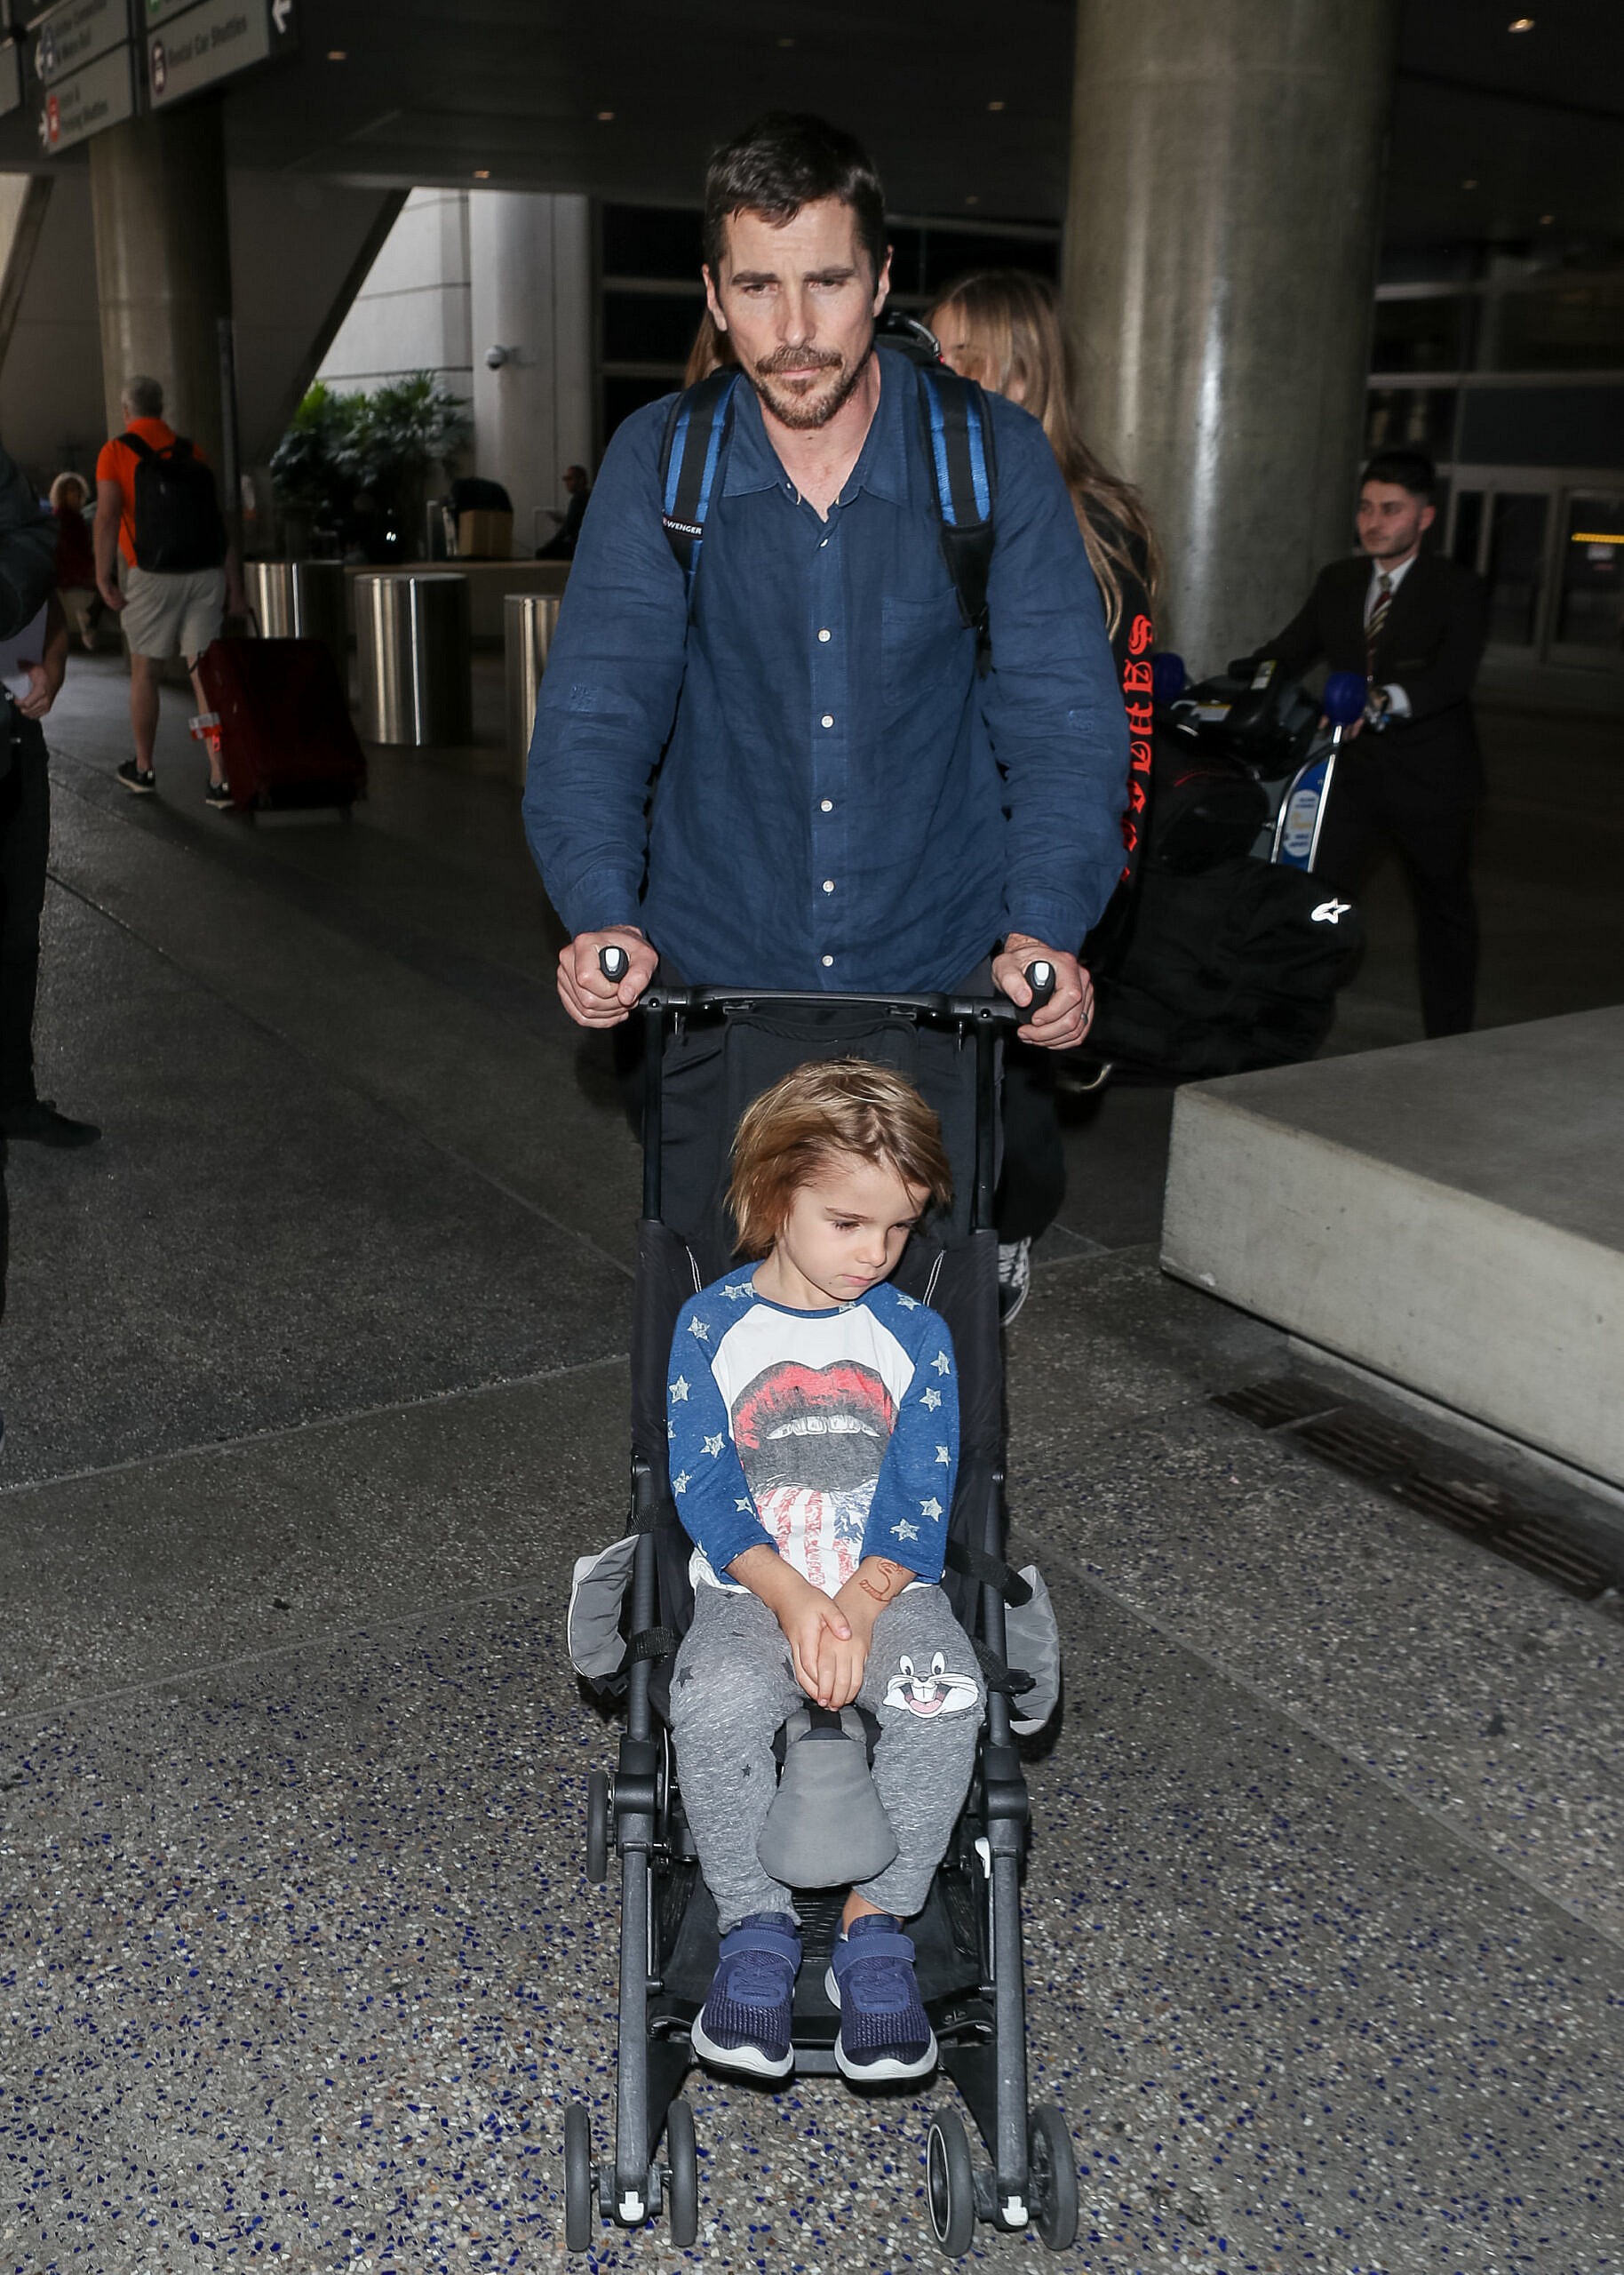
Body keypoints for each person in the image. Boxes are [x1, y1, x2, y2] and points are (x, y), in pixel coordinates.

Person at [524, 113, 1127, 1285]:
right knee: (725, 1364)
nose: (793, 332)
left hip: (937, 986)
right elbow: (598, 715)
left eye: (827, 283)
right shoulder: (664, 461)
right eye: (757, 286)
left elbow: (1061, 724)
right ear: (712, 291)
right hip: (720, 990)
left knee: (925, 1379)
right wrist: (600, 909)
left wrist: (1048, 925)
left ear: (883, 278)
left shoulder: (985, 456)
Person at [666, 1058, 984, 2082]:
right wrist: (795, 1597)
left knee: (947, 1699)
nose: (876, 1253)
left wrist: (852, 1600)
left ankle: (874, 1922)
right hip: (753, 1586)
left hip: (888, 1585)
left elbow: (920, 1489)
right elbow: (707, 1490)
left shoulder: (913, 1334)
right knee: (711, 1699)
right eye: (847, 1223)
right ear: (772, 1199)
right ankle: (753, 1924)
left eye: (898, 1228)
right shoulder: (713, 1328)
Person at [926, 269, 1163, 1292]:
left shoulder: (1088, 518)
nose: (935, 372)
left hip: (1032, 837)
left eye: (958, 353)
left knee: (1009, 1068)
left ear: (1015, 364)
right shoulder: (947, 495)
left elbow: (1109, 714)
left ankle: (1011, 1227)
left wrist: (1076, 884)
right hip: (949, 830)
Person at [1257, 449, 1487, 1037]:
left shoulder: (1457, 588)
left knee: (1443, 911)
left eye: (1391, 509)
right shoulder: (1340, 580)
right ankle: (1293, 1020)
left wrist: (1380, 701)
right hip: (1349, 777)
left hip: (1432, 780)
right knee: (1317, 898)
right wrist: (1231, 684)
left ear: (1425, 517)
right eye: (1365, 507)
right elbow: (1288, 651)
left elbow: (1449, 677)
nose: (1374, 522)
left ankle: (1450, 1039)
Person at [0, 442, 98, 1148]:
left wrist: (55, 663)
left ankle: (12, 1097)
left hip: (12, 745)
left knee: (17, 928)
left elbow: (42, 593)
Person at [92, 374, 248, 808]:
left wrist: (103, 577)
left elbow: (106, 517)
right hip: (205, 574)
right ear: (162, 410)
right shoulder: (191, 451)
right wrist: (235, 587)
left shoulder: (116, 451)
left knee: (147, 673)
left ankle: (144, 767)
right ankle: (220, 777)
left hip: (152, 577)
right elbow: (218, 526)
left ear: (127, 412)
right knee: (203, 676)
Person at [48, 473, 103, 653]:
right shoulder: (64, 518)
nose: (76, 494)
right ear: (62, 494)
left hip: (75, 568)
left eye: (78, 490)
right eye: (71, 490)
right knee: (108, 585)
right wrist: (90, 570)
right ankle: (89, 622)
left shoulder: (75, 517)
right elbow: (68, 552)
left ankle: (90, 622)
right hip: (69, 572)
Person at [534, 464, 591, 560]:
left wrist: (548, 546)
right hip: (588, 545)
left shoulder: (579, 498)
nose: (566, 483)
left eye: (569, 479)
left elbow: (568, 528)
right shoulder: (588, 496)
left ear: (581, 480)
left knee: (541, 554)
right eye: (565, 479)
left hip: (579, 547)